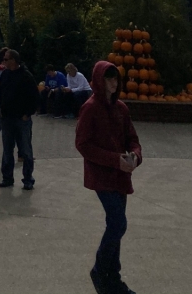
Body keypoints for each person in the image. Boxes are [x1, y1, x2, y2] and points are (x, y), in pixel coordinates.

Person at [76, 61, 142, 294]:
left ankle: (112, 278)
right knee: (117, 223)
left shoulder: (121, 108)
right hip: (102, 176)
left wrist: (134, 156)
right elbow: (83, 144)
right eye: (109, 78)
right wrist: (115, 160)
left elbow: (133, 139)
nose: (113, 83)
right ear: (99, 80)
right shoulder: (90, 108)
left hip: (121, 176)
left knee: (115, 225)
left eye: (116, 79)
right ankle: (100, 271)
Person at [0, 48, 39, 190]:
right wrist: (0, 110)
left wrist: (27, 114)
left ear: (13, 61)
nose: (4, 61)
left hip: (22, 120)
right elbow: (0, 93)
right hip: (7, 119)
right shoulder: (5, 75)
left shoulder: (26, 76)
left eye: (6, 59)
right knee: (7, 150)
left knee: (26, 150)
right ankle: (7, 177)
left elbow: (34, 97)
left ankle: (28, 179)